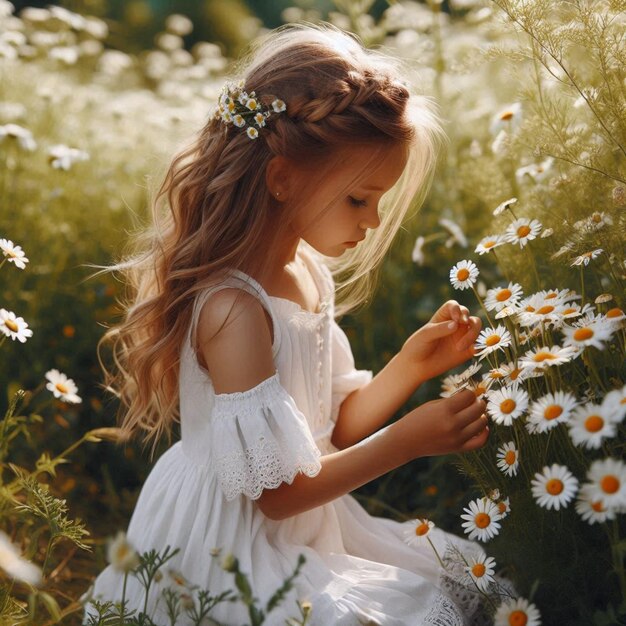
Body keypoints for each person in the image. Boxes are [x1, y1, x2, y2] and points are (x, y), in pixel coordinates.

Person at [85, 21, 492, 626]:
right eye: (360, 199)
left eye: (379, 201)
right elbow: (276, 496)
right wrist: (409, 440)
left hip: (308, 525)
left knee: (461, 581)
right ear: (282, 178)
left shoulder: (306, 274)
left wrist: (411, 365)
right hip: (229, 545)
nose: (374, 221)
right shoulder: (233, 311)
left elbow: (334, 429)